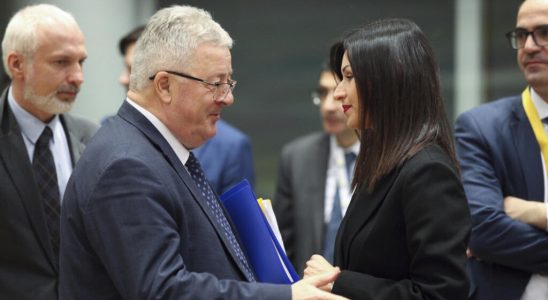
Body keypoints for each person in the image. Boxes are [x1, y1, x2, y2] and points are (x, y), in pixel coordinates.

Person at [59, 5, 347, 300]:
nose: (228, 97)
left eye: (228, 82)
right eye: (216, 84)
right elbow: (163, 291)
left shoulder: (155, 150)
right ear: (164, 86)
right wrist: (287, 297)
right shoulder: (126, 166)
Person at [303, 18, 471, 300]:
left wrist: (338, 282)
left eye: (349, 76)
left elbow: (441, 294)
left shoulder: (427, 170)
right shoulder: (382, 163)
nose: (338, 92)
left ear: (388, 80)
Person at [0, 4, 98, 300]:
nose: (78, 77)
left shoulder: (93, 138)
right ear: (17, 65)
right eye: (61, 62)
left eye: (81, 62)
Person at [454, 0, 548, 299]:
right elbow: (483, 233)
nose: (530, 47)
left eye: (544, 33)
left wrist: (536, 213)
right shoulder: (481, 127)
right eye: (521, 35)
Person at [116, 24, 255, 194]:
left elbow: (232, 219)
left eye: (133, 70)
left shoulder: (230, 145)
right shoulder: (122, 150)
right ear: (165, 85)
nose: (123, 79)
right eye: (215, 83)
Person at [274, 64, 359, 275]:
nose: (328, 106)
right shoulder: (297, 158)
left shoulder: (386, 160)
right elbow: (283, 248)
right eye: (323, 93)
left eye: (338, 93)